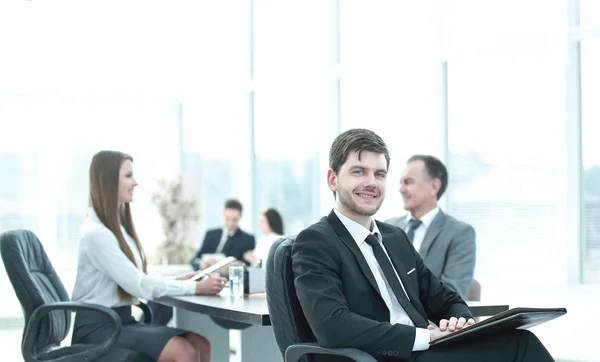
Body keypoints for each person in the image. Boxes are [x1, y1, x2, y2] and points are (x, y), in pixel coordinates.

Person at [292, 129, 554, 361]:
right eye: (358, 171)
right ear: (332, 179)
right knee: (520, 347)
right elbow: (332, 326)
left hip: (426, 351)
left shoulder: (394, 237)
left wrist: (459, 319)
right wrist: (424, 338)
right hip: (383, 356)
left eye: (380, 174)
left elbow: (444, 297)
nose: (371, 182)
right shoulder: (315, 241)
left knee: (520, 340)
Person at [71, 150, 227, 362]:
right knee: (184, 351)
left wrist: (177, 281)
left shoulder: (118, 229)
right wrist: (196, 287)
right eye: (128, 176)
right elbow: (138, 284)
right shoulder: (96, 233)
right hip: (98, 329)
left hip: (121, 321)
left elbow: (134, 276)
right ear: (108, 181)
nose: (135, 182)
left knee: (201, 344)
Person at [386, 155, 476, 298]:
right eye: (400, 183)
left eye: (408, 182)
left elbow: (451, 294)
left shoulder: (459, 233)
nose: (401, 189)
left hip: (429, 319)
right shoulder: (387, 227)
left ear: (434, 186)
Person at [190, 199, 255, 271]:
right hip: (206, 277)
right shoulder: (210, 234)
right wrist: (201, 263)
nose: (230, 223)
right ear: (223, 214)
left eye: (234, 220)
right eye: (227, 218)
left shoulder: (248, 239)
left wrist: (236, 265)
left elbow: (248, 265)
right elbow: (194, 259)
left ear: (240, 217)